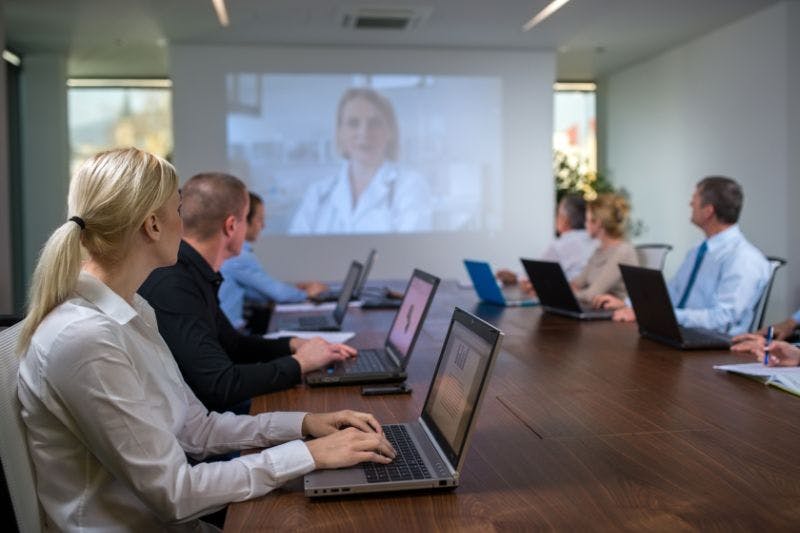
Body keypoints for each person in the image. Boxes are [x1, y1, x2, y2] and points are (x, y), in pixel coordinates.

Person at [16, 148, 395, 532]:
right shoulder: (86, 341)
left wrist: (305, 424)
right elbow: (175, 494)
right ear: (153, 225)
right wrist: (309, 455)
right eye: (179, 210)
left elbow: (198, 430)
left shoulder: (135, 310)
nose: (186, 224)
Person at [139, 172, 357, 413]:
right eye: (246, 219)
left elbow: (232, 345)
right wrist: (301, 363)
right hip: (202, 428)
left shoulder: (191, 271)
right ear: (232, 226)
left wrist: (293, 345)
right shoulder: (174, 283)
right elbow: (220, 385)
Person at [596, 176, 770, 336]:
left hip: (714, 346)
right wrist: (630, 304)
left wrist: (661, 316)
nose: (690, 204)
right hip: (680, 335)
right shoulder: (698, 251)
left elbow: (723, 320)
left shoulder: (744, 259)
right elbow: (673, 293)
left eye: (694, 201)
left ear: (708, 211)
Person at [289, 87, 432, 234]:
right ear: (340, 133)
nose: (364, 132)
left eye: (374, 123)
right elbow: (294, 251)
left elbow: (411, 252)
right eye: (353, 123)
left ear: (390, 132)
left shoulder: (409, 187)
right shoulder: (318, 194)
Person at [219, 192, 328, 329]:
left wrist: (293, 290)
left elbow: (260, 293)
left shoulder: (232, 254)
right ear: (243, 222)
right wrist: (307, 293)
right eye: (260, 220)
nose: (263, 226)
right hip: (232, 336)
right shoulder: (237, 256)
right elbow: (278, 294)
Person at [496, 193, 597, 286]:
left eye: (557, 214)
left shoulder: (560, 246)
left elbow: (536, 274)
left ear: (564, 219)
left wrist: (515, 276)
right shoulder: (596, 242)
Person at [569, 193, 639, 304]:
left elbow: (591, 295)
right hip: (596, 310)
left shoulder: (623, 251)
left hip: (616, 315)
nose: (585, 224)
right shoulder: (599, 250)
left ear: (599, 223)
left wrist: (565, 294)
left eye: (588, 220)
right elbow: (577, 283)